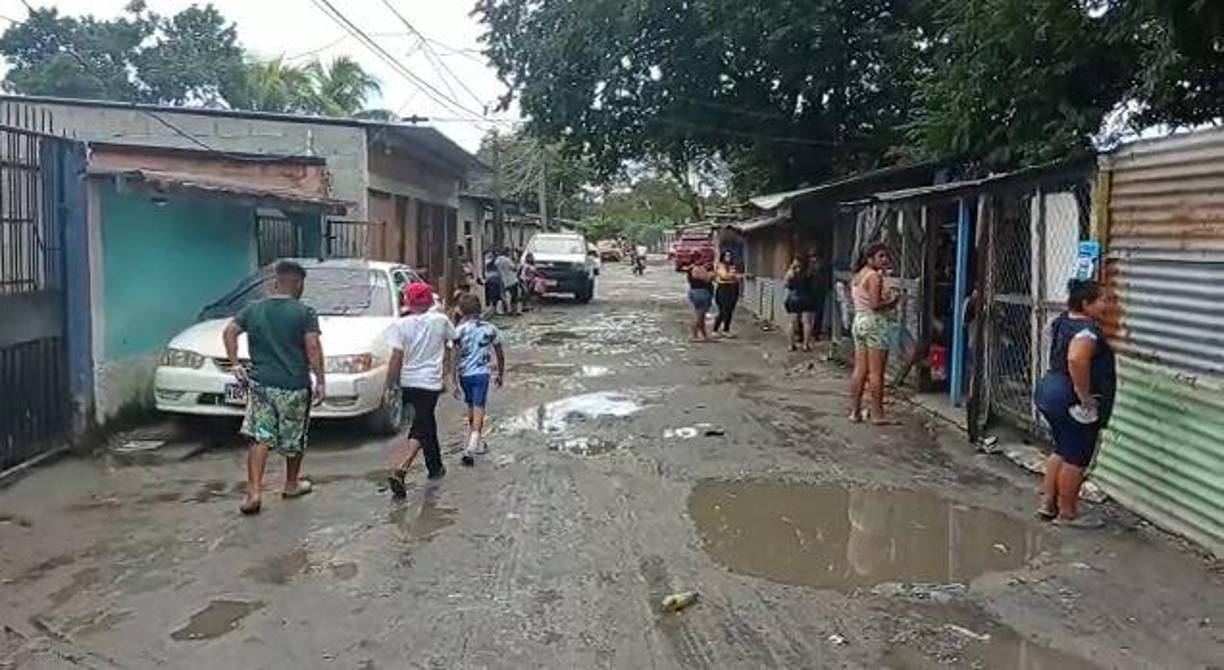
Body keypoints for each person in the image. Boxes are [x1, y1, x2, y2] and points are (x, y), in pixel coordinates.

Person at [223, 260, 325, 516]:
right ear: (297, 282)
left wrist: (235, 364)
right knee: (294, 438)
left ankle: (254, 491)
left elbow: (229, 332)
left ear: (275, 282)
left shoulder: (253, 309)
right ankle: (291, 484)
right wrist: (320, 380)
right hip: (293, 385)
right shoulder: (304, 312)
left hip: (261, 385)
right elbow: (312, 346)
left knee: (260, 437)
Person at [1034, 279, 1116, 528]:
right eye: (1102, 300)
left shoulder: (1062, 321)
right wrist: (1085, 398)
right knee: (1077, 456)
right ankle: (1067, 514)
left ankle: (1048, 503)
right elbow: (1076, 360)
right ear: (1085, 303)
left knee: (1062, 449)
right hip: (1070, 399)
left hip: (1050, 389)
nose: (1107, 305)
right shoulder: (1087, 331)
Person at [385, 281, 458, 498]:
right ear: (429, 300)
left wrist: (391, 384)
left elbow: (396, 358)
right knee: (422, 425)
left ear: (407, 301)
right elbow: (454, 342)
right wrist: (449, 373)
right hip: (430, 383)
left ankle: (435, 467)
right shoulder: (441, 320)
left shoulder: (401, 325)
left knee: (425, 422)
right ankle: (402, 467)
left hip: (409, 382)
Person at [848, 243, 901, 425]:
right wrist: (894, 301)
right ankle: (878, 414)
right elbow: (875, 305)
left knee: (860, 369)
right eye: (881, 256)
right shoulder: (874, 277)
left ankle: (855, 411)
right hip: (875, 323)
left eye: (886, 256)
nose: (885, 260)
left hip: (859, 321)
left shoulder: (858, 275)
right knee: (876, 373)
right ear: (870, 259)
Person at [452, 293, 506, 467]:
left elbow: (453, 355)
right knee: (479, 407)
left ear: (461, 310)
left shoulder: (458, 331)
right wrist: (500, 373)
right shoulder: (490, 328)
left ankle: (477, 440)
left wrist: (452, 379)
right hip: (481, 373)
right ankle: (472, 445)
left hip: (464, 374)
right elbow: (499, 352)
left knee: (471, 406)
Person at [783, 257, 819, 352]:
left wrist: (790, 272)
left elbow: (786, 285)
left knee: (791, 322)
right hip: (807, 299)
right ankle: (805, 345)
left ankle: (791, 345)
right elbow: (815, 286)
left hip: (793, 300)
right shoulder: (809, 272)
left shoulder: (791, 273)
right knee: (807, 322)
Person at [686, 252, 715, 342]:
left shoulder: (692, 268)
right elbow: (706, 278)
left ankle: (704, 335)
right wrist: (711, 274)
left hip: (696, 292)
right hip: (701, 293)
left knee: (701, 315)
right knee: (699, 315)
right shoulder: (697, 268)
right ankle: (693, 335)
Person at [712, 250, 741, 337]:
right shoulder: (720, 266)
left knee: (730, 310)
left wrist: (735, 276)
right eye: (726, 256)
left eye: (730, 256)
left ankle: (726, 329)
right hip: (723, 288)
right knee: (723, 310)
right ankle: (715, 329)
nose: (728, 258)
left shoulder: (732, 266)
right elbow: (724, 276)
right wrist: (734, 276)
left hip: (733, 288)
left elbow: (735, 277)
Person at [495, 247, 520, 316]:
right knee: (514, 296)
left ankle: (505, 309)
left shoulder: (497, 260)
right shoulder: (507, 260)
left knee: (503, 296)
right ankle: (513, 311)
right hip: (512, 280)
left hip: (502, 280)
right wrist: (515, 261)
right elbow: (515, 268)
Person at [482, 250, 502, 315]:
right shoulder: (490, 262)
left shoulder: (488, 262)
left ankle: (493, 309)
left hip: (491, 279)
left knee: (493, 295)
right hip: (493, 279)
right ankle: (493, 309)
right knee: (494, 295)